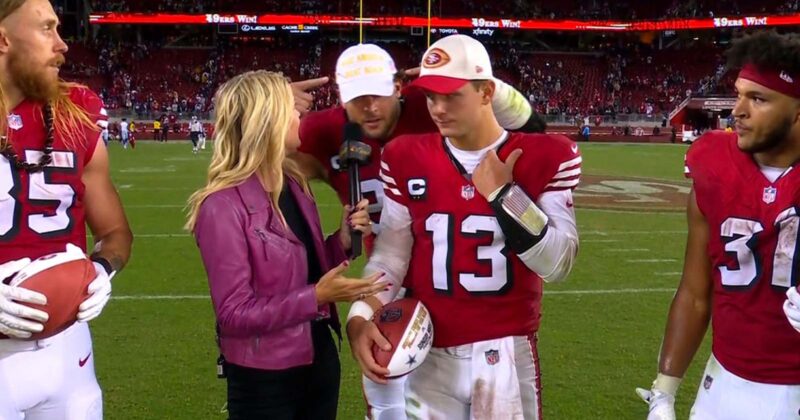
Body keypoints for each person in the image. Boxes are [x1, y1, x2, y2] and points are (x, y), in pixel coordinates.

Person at [296, 44, 543, 418]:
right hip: (388, 287)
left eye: (377, 94)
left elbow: (532, 128)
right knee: (388, 407)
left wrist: (480, 80)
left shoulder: (437, 108)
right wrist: (264, 101)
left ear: (398, 86)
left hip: (464, 292)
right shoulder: (326, 131)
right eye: (357, 99)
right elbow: (252, 162)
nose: (369, 108)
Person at [346, 34, 581, 419]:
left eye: (451, 95)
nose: (437, 108)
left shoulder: (545, 154)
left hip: (505, 352)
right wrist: (360, 315)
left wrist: (506, 195)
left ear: (487, 92)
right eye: (430, 96)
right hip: (428, 350)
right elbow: (391, 255)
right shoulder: (405, 156)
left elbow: (558, 263)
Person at [186, 70, 388, 420]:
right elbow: (233, 314)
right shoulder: (221, 206)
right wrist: (316, 298)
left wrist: (340, 242)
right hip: (266, 378)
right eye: (290, 110)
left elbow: (305, 268)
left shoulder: (293, 183)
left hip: (319, 358)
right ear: (268, 121)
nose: (300, 117)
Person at [637, 31, 800, 420]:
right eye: (739, 93)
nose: (737, 111)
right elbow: (695, 291)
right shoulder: (714, 166)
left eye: (758, 98)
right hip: (722, 384)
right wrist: (664, 390)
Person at [0, 0, 133, 417]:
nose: (63, 45)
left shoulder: (76, 110)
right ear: (3, 39)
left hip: (69, 353)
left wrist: (102, 269)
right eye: (46, 29)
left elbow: (115, 233)